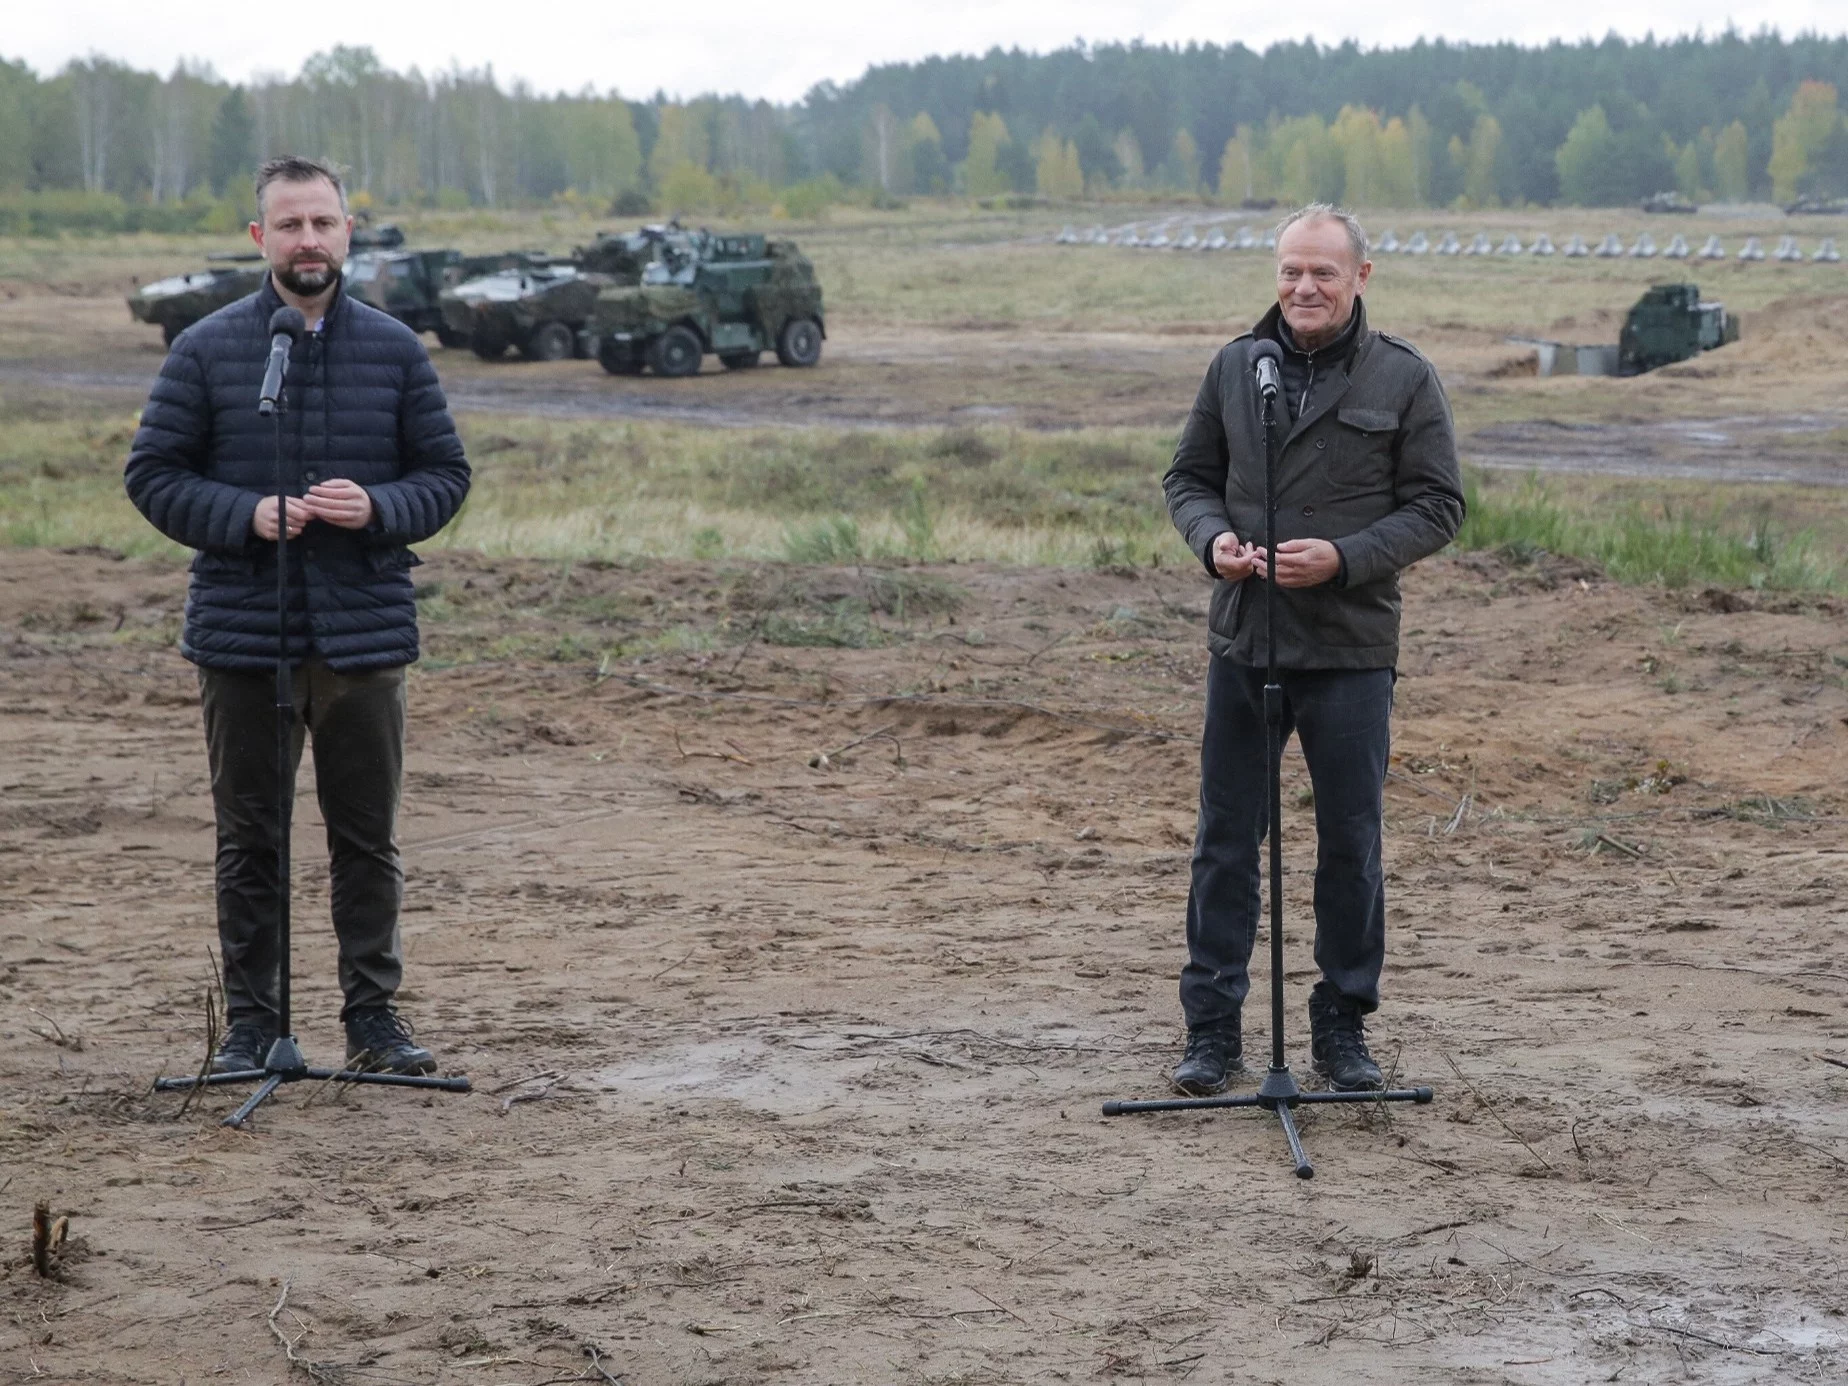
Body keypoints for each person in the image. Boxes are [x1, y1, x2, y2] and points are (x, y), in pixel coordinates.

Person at [125, 156, 471, 1076]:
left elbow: (446, 477)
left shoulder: (396, 349)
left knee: (365, 840)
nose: (308, 240)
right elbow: (151, 476)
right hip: (244, 636)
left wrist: (381, 508)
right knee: (250, 842)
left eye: (323, 223)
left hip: (364, 637)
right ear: (260, 239)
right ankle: (253, 1028)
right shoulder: (205, 349)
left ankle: (375, 1024)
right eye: (290, 225)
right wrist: (242, 517)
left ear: (348, 231)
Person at [1160, 204, 1464, 1095]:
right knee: (1225, 840)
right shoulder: (1233, 367)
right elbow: (1187, 480)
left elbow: (1439, 505)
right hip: (1245, 641)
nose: (1304, 288)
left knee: (1350, 842)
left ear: (1360, 277)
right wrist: (1211, 539)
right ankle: (1211, 1033)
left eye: (1323, 273)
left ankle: (1342, 1030)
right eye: (1292, 271)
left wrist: (1344, 560)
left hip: (1350, 649)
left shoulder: (1405, 379)